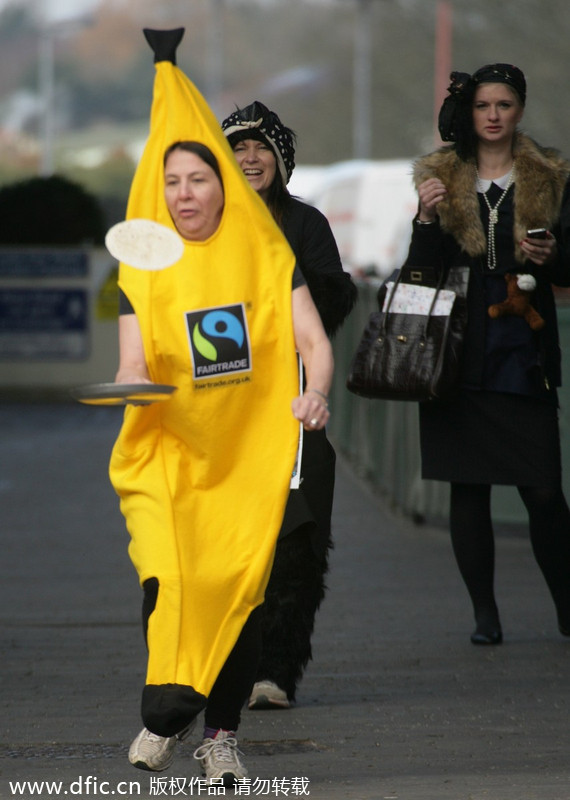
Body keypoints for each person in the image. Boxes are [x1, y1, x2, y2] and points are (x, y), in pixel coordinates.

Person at [110, 28, 333, 786]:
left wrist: (315, 391)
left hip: (247, 458)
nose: (183, 194)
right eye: (171, 182)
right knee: (167, 583)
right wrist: (136, 390)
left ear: (222, 186)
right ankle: (165, 703)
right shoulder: (140, 270)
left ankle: (221, 736)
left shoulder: (267, 255)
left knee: (238, 592)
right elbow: (131, 363)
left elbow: (312, 337)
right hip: (170, 460)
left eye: (197, 180)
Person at [406, 63, 570, 645]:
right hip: (458, 352)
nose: (493, 115)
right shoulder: (440, 179)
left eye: (504, 105)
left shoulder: (551, 177)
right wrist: (425, 219)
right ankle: (485, 615)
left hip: (523, 352)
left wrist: (551, 258)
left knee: (545, 490)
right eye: (482, 106)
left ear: (519, 110)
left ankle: (566, 608)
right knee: (467, 486)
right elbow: (419, 275)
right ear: (468, 114)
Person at [221, 101, 357, 708]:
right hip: (222, 411)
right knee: (225, 542)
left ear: (281, 158)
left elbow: (334, 301)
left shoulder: (306, 223)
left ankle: (275, 671)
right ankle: (218, 667)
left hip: (296, 405)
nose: (251, 159)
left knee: (297, 539)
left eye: (262, 148)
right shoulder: (202, 225)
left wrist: (288, 291)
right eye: (239, 148)